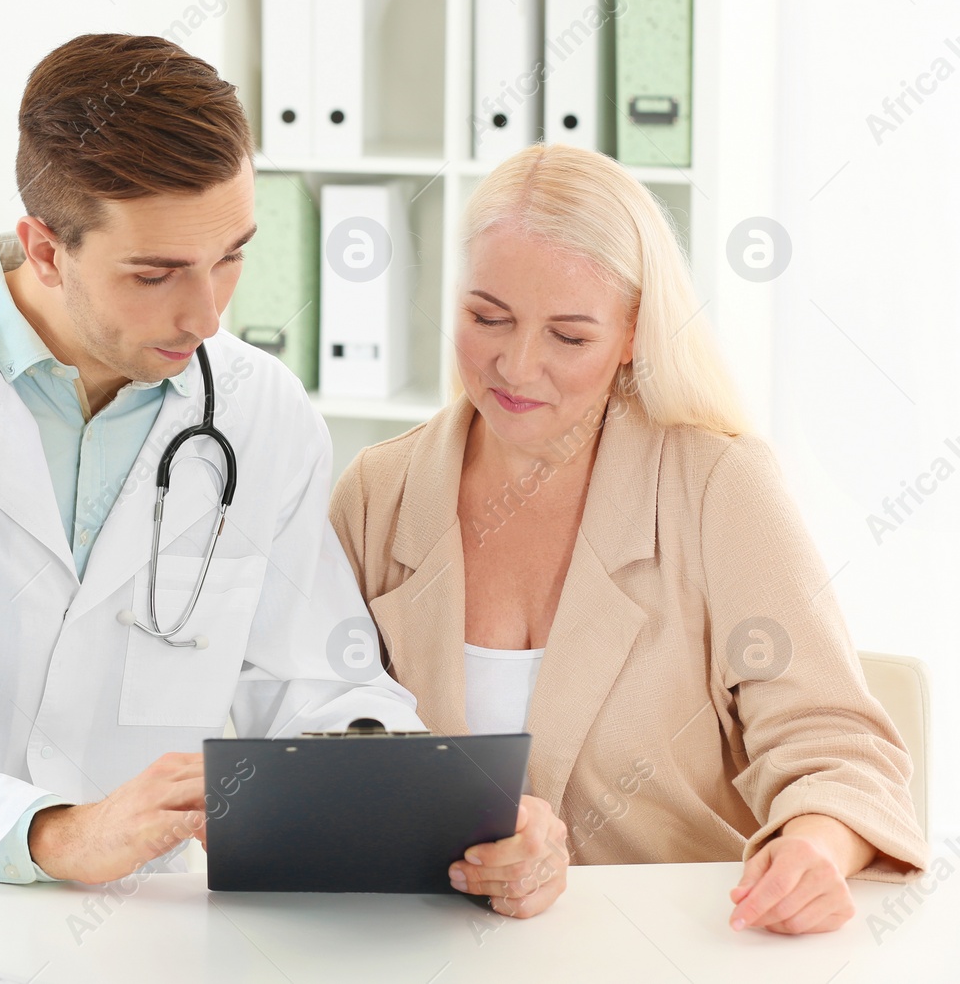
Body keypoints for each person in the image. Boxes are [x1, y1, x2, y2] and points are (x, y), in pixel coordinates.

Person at [0, 33, 425, 889]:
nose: (207, 316)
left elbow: (314, 686)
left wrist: (424, 799)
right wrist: (54, 833)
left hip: (147, 936)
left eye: (232, 255)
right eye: (156, 273)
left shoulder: (261, 413)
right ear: (49, 250)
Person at [329, 144, 928, 933]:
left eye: (569, 336)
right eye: (487, 317)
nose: (516, 364)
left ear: (634, 334)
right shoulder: (378, 492)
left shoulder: (717, 486)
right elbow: (315, 753)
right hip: (429, 947)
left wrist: (817, 845)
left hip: (666, 948)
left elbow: (838, 745)